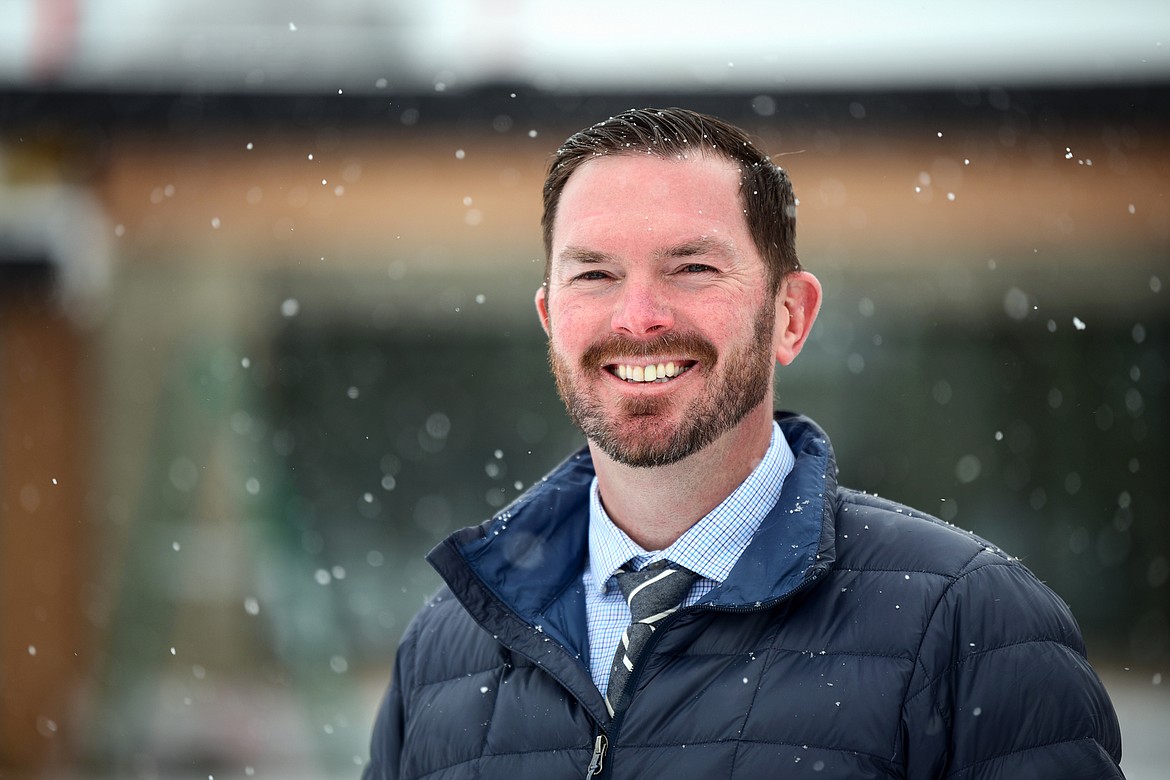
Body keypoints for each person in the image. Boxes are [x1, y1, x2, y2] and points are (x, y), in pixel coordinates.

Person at [363, 107, 1124, 779]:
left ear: (790, 315)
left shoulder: (972, 625)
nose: (638, 317)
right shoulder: (448, 647)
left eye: (692, 267)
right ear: (549, 319)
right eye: (593, 274)